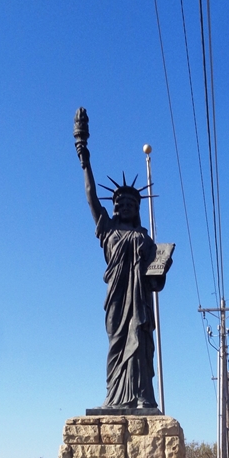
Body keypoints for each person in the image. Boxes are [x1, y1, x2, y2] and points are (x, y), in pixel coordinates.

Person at [74, 108, 167, 410]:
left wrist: (162, 267)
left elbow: (156, 278)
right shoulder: (108, 229)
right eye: (119, 202)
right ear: (113, 206)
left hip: (139, 301)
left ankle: (142, 397)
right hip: (116, 298)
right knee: (116, 343)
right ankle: (113, 397)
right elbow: (90, 194)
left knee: (140, 346)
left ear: (137, 207)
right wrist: (83, 154)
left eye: (130, 202)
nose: (124, 205)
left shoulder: (144, 236)